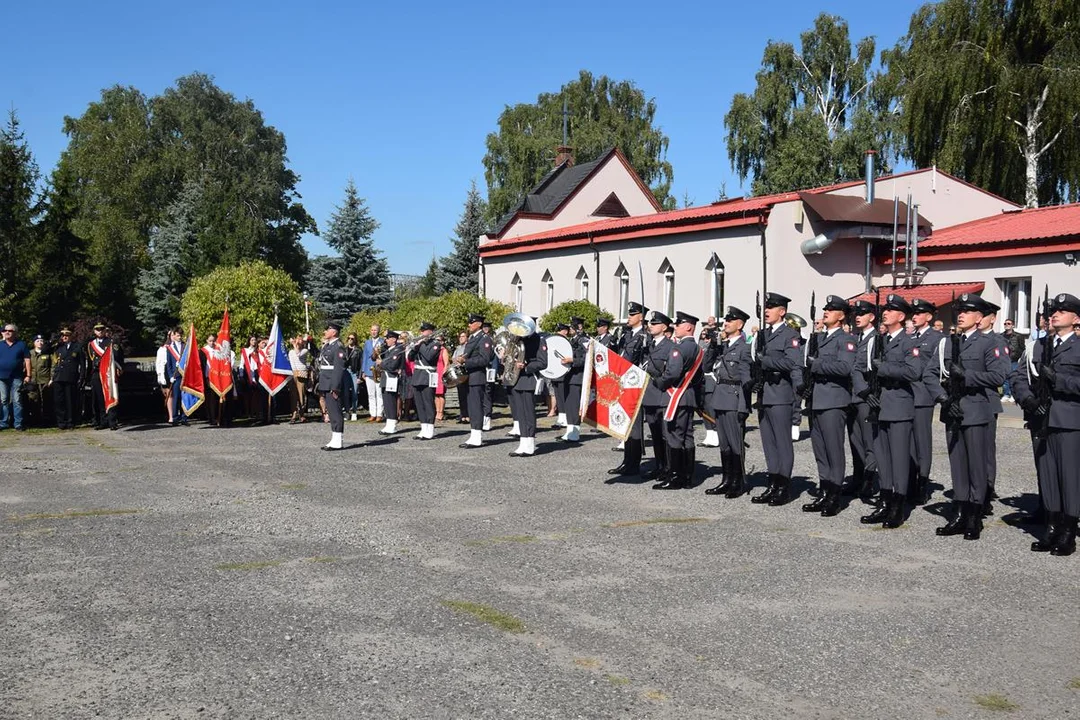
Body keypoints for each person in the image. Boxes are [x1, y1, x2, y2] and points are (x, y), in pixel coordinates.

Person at [925, 293, 1008, 541]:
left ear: (979, 317)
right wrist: (942, 398)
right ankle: (959, 512)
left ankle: (974, 515)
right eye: (959, 310)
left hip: (976, 411)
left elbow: (999, 376)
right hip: (952, 410)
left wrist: (967, 376)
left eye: (967, 311)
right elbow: (930, 373)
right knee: (958, 466)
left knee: (976, 465)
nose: (960, 314)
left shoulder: (989, 343)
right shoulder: (948, 343)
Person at [1011, 292, 1080, 555]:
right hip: (1041, 418)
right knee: (1048, 475)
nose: (1055, 314)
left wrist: (1059, 380)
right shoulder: (1038, 347)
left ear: (1076, 318)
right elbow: (1018, 376)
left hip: (1069, 420)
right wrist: (1027, 399)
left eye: (1062, 311)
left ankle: (1068, 532)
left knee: (1070, 477)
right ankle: (1051, 528)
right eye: (1053, 311)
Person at [859, 295, 920, 529]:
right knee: (882, 457)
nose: (885, 313)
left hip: (899, 405)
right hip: (879, 404)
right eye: (884, 309)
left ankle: (898, 506)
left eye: (891, 310)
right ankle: (884, 502)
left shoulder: (908, 342)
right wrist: (867, 391)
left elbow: (914, 371)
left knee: (899, 458)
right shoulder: (880, 340)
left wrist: (883, 368)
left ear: (901, 316)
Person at [800, 296, 856, 517]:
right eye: (825, 309)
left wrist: (817, 365)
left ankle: (835, 495)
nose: (826, 312)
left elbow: (845, 367)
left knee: (834, 449)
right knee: (820, 449)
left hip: (834, 400)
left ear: (841, 316)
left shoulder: (846, 339)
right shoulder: (819, 338)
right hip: (816, 399)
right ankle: (824, 491)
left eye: (831, 310)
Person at [751, 293, 804, 506]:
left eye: (771, 307)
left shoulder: (790, 334)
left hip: (781, 394)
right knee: (768, 443)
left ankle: (784, 486)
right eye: (766, 307)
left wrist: (767, 361)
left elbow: (792, 362)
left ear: (782, 311)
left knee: (782, 443)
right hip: (765, 393)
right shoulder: (763, 334)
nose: (767, 310)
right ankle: (772, 483)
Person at [652, 311, 705, 490]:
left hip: (677, 396)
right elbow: (698, 377)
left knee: (674, 435)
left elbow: (672, 374)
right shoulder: (698, 349)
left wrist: (659, 382)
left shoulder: (679, 348)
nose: (675, 327)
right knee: (687, 436)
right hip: (689, 395)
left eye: (679, 324)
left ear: (688, 327)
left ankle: (676, 476)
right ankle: (688, 477)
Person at [704, 306, 753, 498]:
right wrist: (714, 346)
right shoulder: (724, 346)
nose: (726, 323)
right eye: (726, 320)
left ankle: (738, 482)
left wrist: (743, 406)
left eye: (730, 321)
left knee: (735, 443)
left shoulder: (744, 348)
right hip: (720, 398)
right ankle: (726, 479)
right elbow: (706, 366)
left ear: (740, 325)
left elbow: (745, 380)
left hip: (734, 398)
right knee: (724, 444)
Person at [607, 302, 651, 479]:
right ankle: (627, 461)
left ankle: (634, 462)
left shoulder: (644, 336)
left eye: (632, 315)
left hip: (635, 384)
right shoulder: (626, 335)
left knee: (634, 426)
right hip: (622, 383)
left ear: (641, 317)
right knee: (625, 423)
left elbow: (645, 361)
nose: (629, 317)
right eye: (629, 314)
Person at [908, 299, 944, 505]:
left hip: (922, 395)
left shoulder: (937, 338)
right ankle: (910, 480)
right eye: (913, 313)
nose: (914, 316)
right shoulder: (909, 336)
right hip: (907, 395)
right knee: (908, 442)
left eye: (919, 313)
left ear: (929, 317)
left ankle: (922, 483)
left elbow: (932, 367)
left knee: (922, 441)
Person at [978, 301, 1008, 514]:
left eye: (982, 315)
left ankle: (987, 489)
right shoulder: (967, 340)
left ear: (992, 318)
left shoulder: (997, 341)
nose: (978, 319)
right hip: (968, 404)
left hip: (987, 401)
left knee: (986, 449)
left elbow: (1001, 373)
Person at [847, 300, 879, 500]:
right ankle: (857, 478)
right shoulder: (854, 338)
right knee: (854, 441)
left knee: (870, 442)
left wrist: (867, 393)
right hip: (851, 397)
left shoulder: (877, 340)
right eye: (855, 313)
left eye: (862, 313)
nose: (857, 316)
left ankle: (869, 480)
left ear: (872, 317)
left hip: (866, 396)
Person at [639, 311, 676, 482]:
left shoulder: (669, 346)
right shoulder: (648, 345)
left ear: (664, 327)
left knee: (665, 434)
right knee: (654, 434)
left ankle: (669, 468)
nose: (650, 326)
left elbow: (670, 371)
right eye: (650, 324)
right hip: (648, 395)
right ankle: (659, 465)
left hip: (662, 394)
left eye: (654, 324)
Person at [507, 326, 547, 457]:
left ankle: (529, 443)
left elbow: (543, 363)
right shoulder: (518, 340)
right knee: (520, 412)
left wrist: (526, 366)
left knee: (528, 412)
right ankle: (523, 442)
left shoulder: (539, 340)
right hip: (517, 379)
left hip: (529, 379)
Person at [456, 313, 494, 448]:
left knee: (476, 407)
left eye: (471, 322)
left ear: (478, 324)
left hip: (477, 377)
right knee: (471, 407)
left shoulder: (485, 339)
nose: (469, 325)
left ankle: (477, 436)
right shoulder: (473, 338)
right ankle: (474, 434)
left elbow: (485, 359)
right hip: (469, 377)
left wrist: (466, 361)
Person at [556, 316, 588, 443]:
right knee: (569, 405)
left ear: (579, 327)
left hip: (577, 377)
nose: (570, 329)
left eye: (572, 326)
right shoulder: (573, 339)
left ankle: (575, 432)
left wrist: (572, 360)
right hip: (569, 376)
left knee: (574, 405)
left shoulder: (583, 340)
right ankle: (570, 430)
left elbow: (587, 358)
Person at [408, 322, 442, 440]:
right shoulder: (420, 345)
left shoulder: (436, 344)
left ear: (431, 332)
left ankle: (430, 428)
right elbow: (410, 358)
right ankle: (423, 428)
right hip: (417, 376)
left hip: (428, 376)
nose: (422, 333)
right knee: (419, 404)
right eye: (422, 331)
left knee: (428, 403)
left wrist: (420, 344)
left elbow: (429, 356)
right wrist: (414, 347)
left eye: (425, 331)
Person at [86, 323, 122, 430]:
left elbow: (117, 357)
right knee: (99, 398)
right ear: (94, 331)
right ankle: (103, 421)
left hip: (108, 372)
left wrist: (118, 368)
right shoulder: (91, 344)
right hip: (97, 373)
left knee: (110, 396)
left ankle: (112, 421)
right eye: (97, 329)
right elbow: (89, 361)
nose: (100, 331)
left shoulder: (111, 342)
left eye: (102, 329)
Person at [317, 322, 347, 450]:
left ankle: (338, 439)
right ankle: (334, 438)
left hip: (332, 383)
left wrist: (335, 387)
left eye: (327, 330)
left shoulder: (338, 347)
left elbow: (339, 369)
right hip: (326, 380)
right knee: (331, 410)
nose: (325, 332)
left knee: (335, 411)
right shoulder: (328, 346)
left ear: (334, 332)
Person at [0, 324, 31, 431]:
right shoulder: (0, 344)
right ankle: (3, 423)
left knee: (17, 400)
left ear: (15, 333)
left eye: (10, 330)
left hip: (17, 377)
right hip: (1, 377)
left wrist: (28, 375)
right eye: (5, 330)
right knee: (4, 400)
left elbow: (27, 360)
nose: (7, 332)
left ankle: (18, 423)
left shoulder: (21, 345)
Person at [52, 328, 83, 430]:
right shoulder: (57, 346)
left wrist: (81, 377)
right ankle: (61, 421)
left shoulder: (76, 347)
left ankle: (70, 421)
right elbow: (44, 350)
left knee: (70, 400)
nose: (64, 337)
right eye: (62, 336)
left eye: (66, 335)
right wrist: (54, 339)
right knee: (59, 401)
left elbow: (82, 364)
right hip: (58, 377)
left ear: (71, 336)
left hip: (70, 377)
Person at [377, 330, 405, 435]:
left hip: (392, 378)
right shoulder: (389, 350)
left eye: (388, 338)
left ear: (394, 339)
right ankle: (389, 423)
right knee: (386, 401)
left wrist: (381, 363)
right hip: (386, 378)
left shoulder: (398, 350)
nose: (386, 340)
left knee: (391, 401)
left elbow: (393, 365)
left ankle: (392, 424)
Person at [26, 334, 53, 427]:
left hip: (45, 380)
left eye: (41, 341)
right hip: (33, 380)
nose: (40, 343)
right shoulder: (29, 353)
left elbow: (52, 366)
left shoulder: (48, 353)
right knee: (34, 401)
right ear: (34, 343)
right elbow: (25, 366)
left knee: (46, 400)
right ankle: (35, 420)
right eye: (37, 341)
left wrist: (51, 378)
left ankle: (47, 420)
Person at [163, 328, 187, 426]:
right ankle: (175, 418)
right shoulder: (170, 348)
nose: (179, 337)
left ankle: (184, 417)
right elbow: (168, 364)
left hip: (184, 374)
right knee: (176, 397)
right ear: (174, 335)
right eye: (177, 335)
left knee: (184, 397)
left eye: (180, 335)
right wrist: (170, 376)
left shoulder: (185, 346)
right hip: (175, 375)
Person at [361, 324, 385, 422]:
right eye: (372, 330)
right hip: (368, 370)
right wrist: (363, 371)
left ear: (378, 331)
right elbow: (365, 357)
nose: (373, 332)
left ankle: (379, 414)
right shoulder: (367, 342)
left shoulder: (382, 342)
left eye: (375, 330)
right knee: (371, 394)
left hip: (379, 370)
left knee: (379, 394)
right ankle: (373, 414)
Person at [288, 335, 310, 423]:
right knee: (293, 394)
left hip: (301, 372)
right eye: (297, 340)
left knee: (301, 394)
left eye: (300, 340)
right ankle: (293, 414)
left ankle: (302, 414)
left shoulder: (304, 350)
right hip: (293, 372)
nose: (298, 342)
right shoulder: (290, 352)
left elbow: (298, 354)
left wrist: (294, 344)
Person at [1001, 319, 1024, 402]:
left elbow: (1022, 348)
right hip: (1004, 359)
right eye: (1005, 323)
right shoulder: (1001, 336)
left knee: (1013, 377)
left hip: (1014, 360)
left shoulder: (1018, 336)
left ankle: (1013, 394)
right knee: (1005, 378)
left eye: (1009, 323)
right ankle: (1006, 393)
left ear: (1013, 325)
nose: (1007, 325)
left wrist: (1018, 357)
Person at [451, 331, 470, 423]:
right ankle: (463, 414)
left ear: (467, 337)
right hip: (459, 374)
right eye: (460, 337)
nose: (461, 338)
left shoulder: (468, 347)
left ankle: (469, 415)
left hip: (466, 372)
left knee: (468, 395)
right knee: (461, 395)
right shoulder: (458, 348)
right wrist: (455, 360)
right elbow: (453, 359)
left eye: (463, 336)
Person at [344, 333, 362, 421]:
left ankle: (354, 412)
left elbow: (361, 364)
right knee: (346, 393)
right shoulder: (344, 349)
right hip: (346, 372)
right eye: (349, 338)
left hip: (354, 372)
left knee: (355, 393)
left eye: (352, 338)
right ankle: (347, 412)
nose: (350, 339)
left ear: (355, 340)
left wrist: (359, 377)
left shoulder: (358, 350)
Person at [435, 332, 450, 422]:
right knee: (436, 394)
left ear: (442, 341)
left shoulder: (443, 350)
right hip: (434, 373)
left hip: (441, 373)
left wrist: (443, 375)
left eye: (439, 340)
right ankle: (437, 411)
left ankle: (441, 412)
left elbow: (446, 363)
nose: (437, 342)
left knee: (441, 394)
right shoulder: (434, 350)